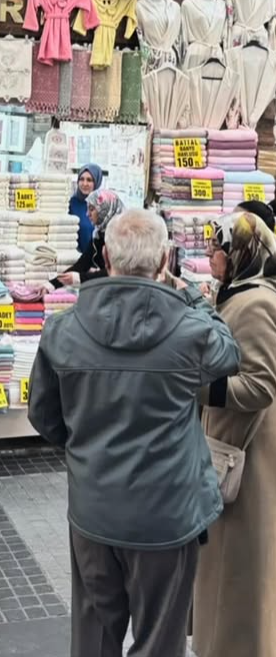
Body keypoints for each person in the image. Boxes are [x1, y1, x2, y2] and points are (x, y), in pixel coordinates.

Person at [28, 209, 240, 657]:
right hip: (167, 513)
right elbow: (229, 355)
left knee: (93, 636)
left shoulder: (62, 329)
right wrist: (195, 297)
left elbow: (44, 416)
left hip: (93, 507)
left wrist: (86, 449)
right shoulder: (189, 330)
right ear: (164, 260)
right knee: (160, 639)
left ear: (105, 257)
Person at [193, 212, 276, 657]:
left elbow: (261, 385)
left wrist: (198, 387)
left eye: (219, 247)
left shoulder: (257, 302)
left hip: (246, 454)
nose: (211, 254)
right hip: (229, 445)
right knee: (225, 566)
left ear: (243, 252)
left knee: (238, 569)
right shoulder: (238, 293)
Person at [48, 188, 124, 289]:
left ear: (104, 210)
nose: (87, 214)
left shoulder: (121, 238)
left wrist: (79, 278)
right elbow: (82, 264)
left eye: (92, 209)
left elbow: (116, 272)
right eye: (87, 209)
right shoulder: (99, 235)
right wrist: (51, 285)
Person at [70, 163, 103, 252]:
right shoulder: (71, 204)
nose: (85, 183)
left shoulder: (103, 205)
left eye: (89, 180)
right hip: (75, 257)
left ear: (96, 182)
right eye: (82, 179)